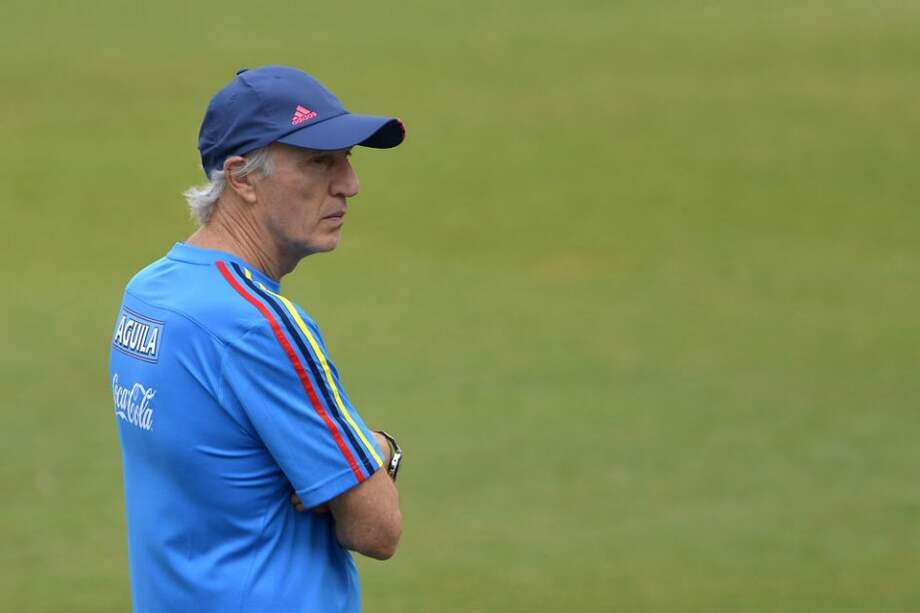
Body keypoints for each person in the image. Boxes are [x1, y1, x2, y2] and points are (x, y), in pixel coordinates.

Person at [109, 65, 405, 613]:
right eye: (319, 162)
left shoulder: (149, 293)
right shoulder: (255, 323)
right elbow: (376, 528)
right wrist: (381, 449)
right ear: (241, 177)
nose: (349, 184)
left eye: (347, 159)